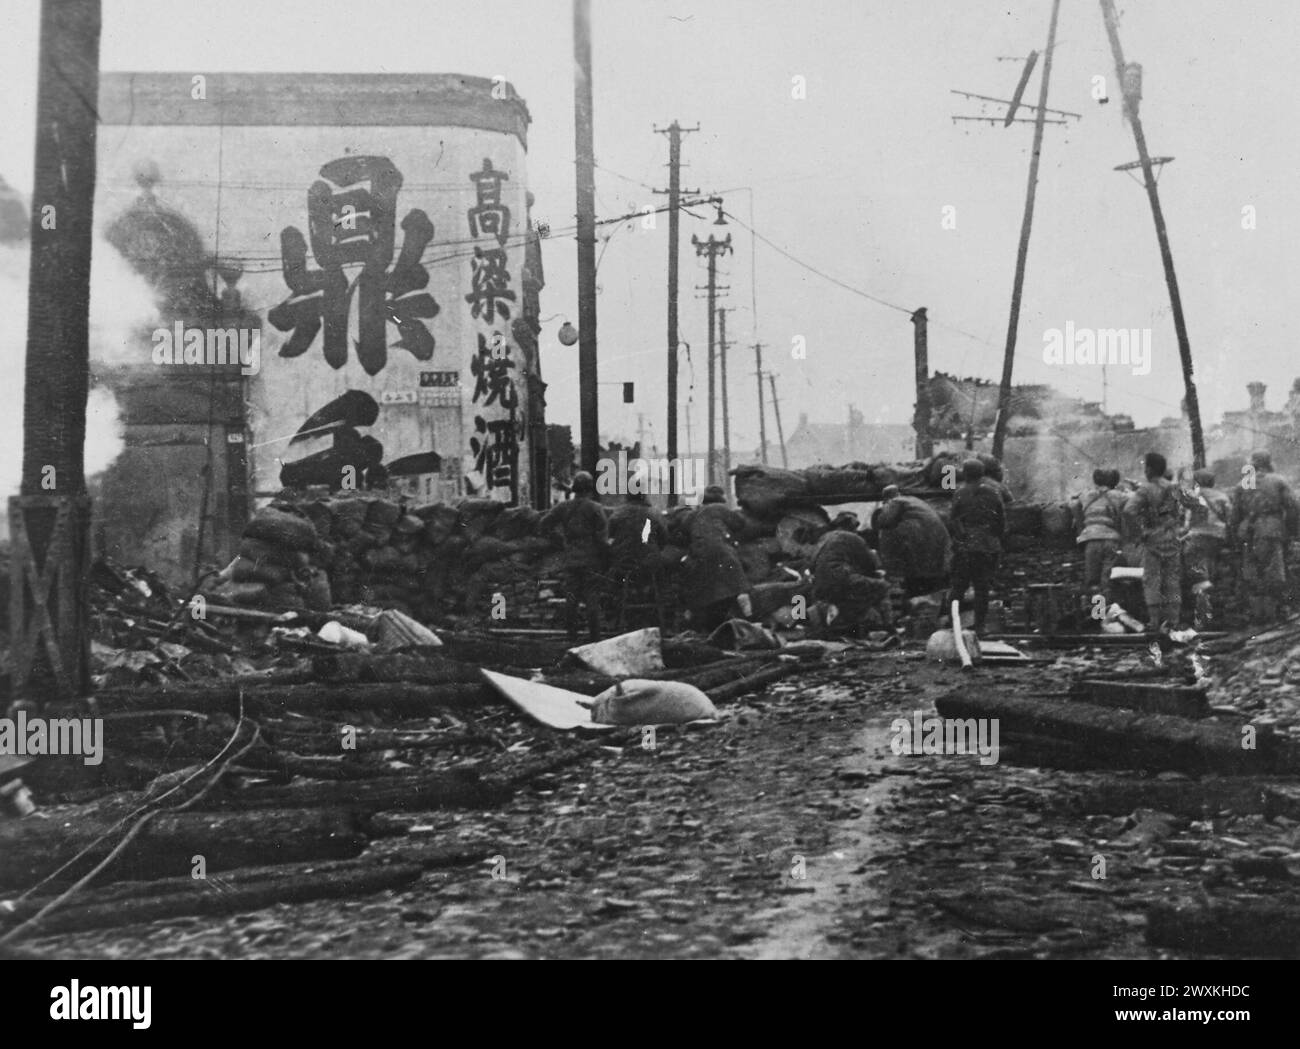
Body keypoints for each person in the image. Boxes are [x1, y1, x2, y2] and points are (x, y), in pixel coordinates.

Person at [538, 471, 608, 641]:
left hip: (571, 559)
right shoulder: (595, 508)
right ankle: (594, 639)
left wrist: (559, 539)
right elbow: (602, 539)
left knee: (571, 599)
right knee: (592, 599)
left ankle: (571, 637)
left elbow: (543, 524)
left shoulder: (564, 507)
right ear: (590, 488)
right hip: (591, 559)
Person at [1232, 450, 1298, 624]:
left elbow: (1234, 515)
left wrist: (1235, 536)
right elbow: (1292, 508)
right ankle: (1274, 613)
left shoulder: (1241, 484)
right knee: (1274, 572)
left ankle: (1258, 614)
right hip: (1271, 529)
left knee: (1252, 572)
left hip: (1248, 531)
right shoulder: (1278, 481)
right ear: (1268, 463)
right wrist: (1292, 531)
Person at [1123, 452, 1184, 630]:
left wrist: (1139, 534)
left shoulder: (1146, 489)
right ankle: (1173, 621)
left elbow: (1128, 511)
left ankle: (1155, 621)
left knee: (1152, 580)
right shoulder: (1175, 488)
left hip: (1153, 539)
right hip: (1172, 538)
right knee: (1172, 579)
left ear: (1149, 469)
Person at [680, 485, 750, 632]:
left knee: (707, 592)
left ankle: (707, 625)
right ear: (720, 499)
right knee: (735, 588)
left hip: (698, 555)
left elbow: (684, 527)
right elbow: (740, 523)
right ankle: (744, 619)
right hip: (723, 553)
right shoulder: (720, 508)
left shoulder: (695, 513)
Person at [947, 459, 1006, 634]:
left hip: (965, 546)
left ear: (965, 474)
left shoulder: (959, 493)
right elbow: (1001, 520)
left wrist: (960, 537)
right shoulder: (994, 492)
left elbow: (953, 520)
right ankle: (980, 626)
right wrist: (994, 538)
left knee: (958, 587)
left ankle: (953, 625)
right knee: (982, 588)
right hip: (987, 546)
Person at [809, 512, 892, 634]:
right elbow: (871, 565)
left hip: (820, 586)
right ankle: (887, 627)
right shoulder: (853, 538)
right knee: (882, 587)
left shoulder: (823, 538)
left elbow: (811, 565)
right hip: (842, 581)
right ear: (852, 526)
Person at [874, 485, 953, 597]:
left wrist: (881, 512)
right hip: (935, 536)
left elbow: (884, 521)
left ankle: (916, 596)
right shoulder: (913, 500)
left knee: (916, 571)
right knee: (932, 570)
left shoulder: (895, 501)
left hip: (919, 536)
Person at [607, 490, 668, 623]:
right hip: (649, 565)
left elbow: (609, 534)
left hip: (624, 564)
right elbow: (664, 538)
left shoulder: (618, 513)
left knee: (614, 580)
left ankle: (617, 616)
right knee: (661, 579)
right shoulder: (654, 513)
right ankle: (659, 617)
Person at [1182, 467, 1233, 627]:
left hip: (1197, 539)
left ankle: (1202, 618)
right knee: (1212, 573)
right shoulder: (1222, 496)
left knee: (1197, 576)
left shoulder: (1193, 496)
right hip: (1218, 538)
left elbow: (1187, 523)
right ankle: (1215, 615)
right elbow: (1230, 519)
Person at [1070, 467, 1126, 611]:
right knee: (1107, 579)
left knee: (1092, 580)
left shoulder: (1086, 494)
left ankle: (1098, 615)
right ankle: (1108, 617)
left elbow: (1073, 503)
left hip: (1090, 539)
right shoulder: (1119, 495)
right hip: (1111, 539)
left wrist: (1081, 527)